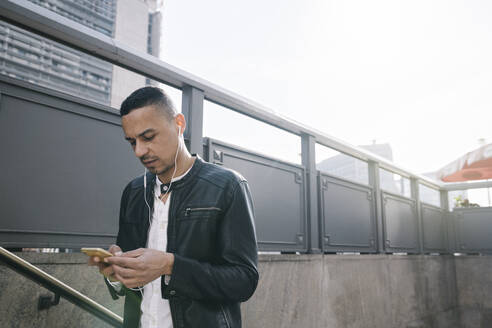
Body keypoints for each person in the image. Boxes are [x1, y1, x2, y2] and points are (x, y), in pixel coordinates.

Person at [88, 87, 259, 328]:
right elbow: (134, 285)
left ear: (179, 123)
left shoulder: (227, 186)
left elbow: (244, 281)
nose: (139, 151)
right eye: (132, 142)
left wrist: (170, 266)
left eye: (148, 137)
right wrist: (118, 273)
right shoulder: (134, 192)